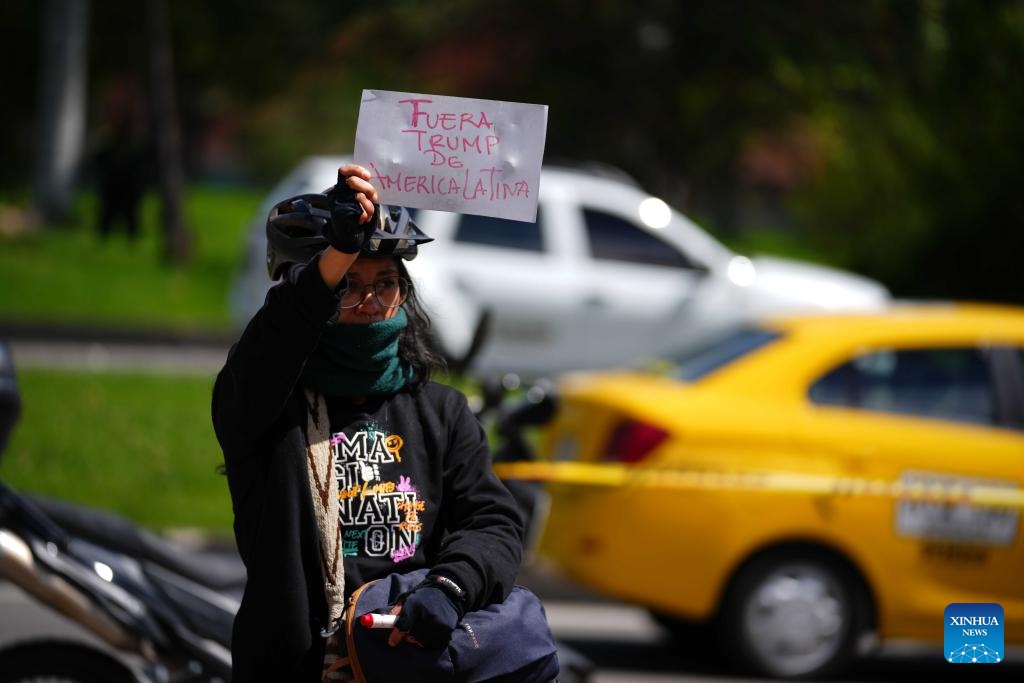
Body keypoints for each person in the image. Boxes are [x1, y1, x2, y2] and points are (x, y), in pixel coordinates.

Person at [212, 164, 557, 682]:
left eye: (386, 283)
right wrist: (336, 253)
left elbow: (492, 523)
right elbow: (274, 343)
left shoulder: (442, 410)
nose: (369, 303)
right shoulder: (265, 404)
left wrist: (449, 587)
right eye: (347, 284)